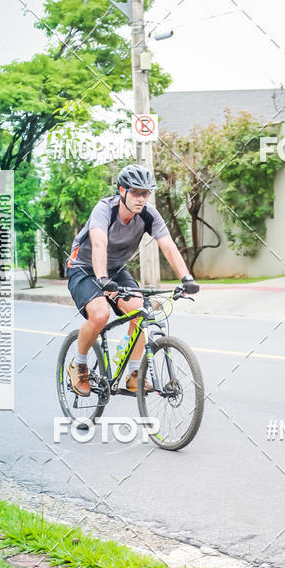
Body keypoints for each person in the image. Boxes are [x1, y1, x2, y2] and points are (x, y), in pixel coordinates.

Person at [65, 164, 200, 396]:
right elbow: (99, 244)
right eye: (136, 192)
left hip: (115, 269)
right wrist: (102, 280)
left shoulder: (148, 214)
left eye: (146, 193)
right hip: (85, 267)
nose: (141, 198)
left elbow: (167, 245)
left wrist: (186, 278)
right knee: (100, 314)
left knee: (140, 312)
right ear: (122, 191)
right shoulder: (104, 210)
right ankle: (79, 365)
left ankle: (134, 375)